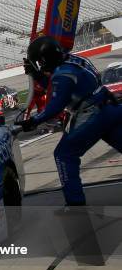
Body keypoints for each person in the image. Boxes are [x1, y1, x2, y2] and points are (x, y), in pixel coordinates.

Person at [17, 36, 122, 206]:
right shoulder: (76, 60)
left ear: (44, 60)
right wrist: (37, 75)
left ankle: (75, 203)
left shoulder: (63, 75)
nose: (40, 66)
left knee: (63, 154)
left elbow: (56, 105)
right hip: (111, 108)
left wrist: (33, 121)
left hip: (92, 115)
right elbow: (59, 86)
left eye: (39, 63)